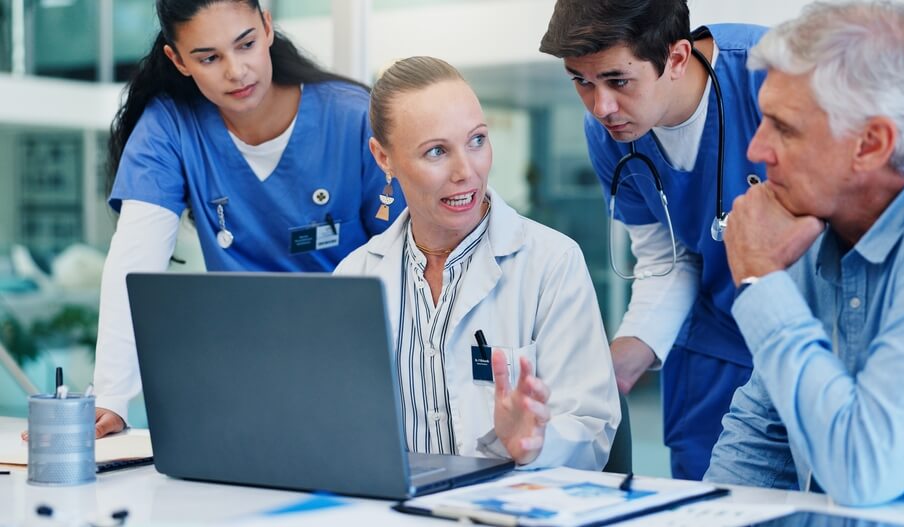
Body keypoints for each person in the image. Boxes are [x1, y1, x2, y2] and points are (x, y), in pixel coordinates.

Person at [704, 1, 904, 510]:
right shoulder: (812, 223)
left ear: (871, 144)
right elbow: (764, 434)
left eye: (784, 127)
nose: (756, 149)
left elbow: (863, 469)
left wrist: (759, 279)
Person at [92, 0, 403, 438]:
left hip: (361, 375)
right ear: (177, 60)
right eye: (209, 57)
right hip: (242, 385)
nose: (236, 71)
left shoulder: (353, 118)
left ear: (268, 28)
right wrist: (111, 397)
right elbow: (133, 260)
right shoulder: (170, 126)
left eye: (246, 44)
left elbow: (414, 260)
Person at [334, 56, 619, 469]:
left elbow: (590, 427)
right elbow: (340, 428)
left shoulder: (551, 263)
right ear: (384, 158)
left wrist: (533, 444)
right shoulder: (355, 277)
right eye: (436, 152)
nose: (466, 171)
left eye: (477, 140)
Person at [539, 0, 767, 479]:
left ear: (678, 58)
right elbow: (668, 259)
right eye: (581, 81)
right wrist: (614, 367)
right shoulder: (609, 135)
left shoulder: (771, 77)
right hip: (715, 348)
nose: (601, 107)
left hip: (813, 339)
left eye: (618, 81)